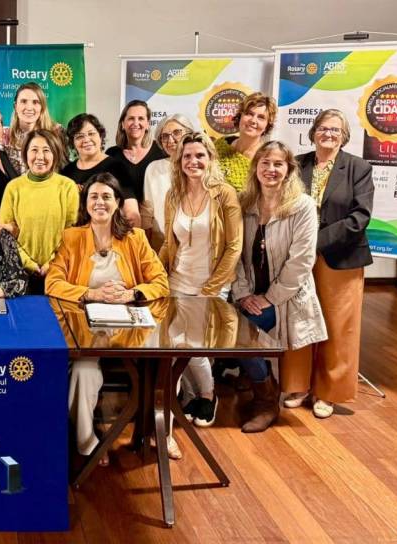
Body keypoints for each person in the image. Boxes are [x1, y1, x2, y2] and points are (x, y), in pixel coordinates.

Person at [45, 173, 169, 462]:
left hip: (131, 330)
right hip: (85, 327)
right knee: (83, 370)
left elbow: (161, 282)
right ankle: (86, 439)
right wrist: (92, 293)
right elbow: (53, 283)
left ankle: (151, 432)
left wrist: (131, 294)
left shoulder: (136, 238)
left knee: (159, 367)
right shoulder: (72, 237)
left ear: (117, 202)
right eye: (94, 197)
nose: (99, 202)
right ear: (85, 203)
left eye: (106, 196)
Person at [232, 141, 328, 433]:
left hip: (286, 298)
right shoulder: (244, 203)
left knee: (241, 336)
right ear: (256, 168)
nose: (271, 169)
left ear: (289, 169)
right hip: (250, 294)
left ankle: (266, 401)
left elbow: (302, 261)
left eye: (278, 164)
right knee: (229, 331)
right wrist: (243, 294)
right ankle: (264, 385)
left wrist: (268, 298)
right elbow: (234, 253)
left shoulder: (303, 206)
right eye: (265, 163)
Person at [286, 109, 374, 418]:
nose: (328, 134)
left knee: (338, 327)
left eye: (335, 130)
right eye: (323, 128)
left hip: (341, 257)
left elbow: (360, 217)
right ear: (313, 132)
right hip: (298, 256)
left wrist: (316, 242)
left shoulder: (358, 168)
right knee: (298, 319)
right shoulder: (297, 164)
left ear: (344, 136)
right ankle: (297, 385)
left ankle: (328, 392)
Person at [158, 132, 242, 427]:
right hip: (177, 280)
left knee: (193, 344)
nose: (193, 161)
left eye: (199, 155)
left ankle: (208, 395)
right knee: (174, 344)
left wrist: (211, 288)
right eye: (187, 156)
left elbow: (234, 246)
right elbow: (170, 243)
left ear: (210, 158)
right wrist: (154, 274)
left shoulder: (224, 194)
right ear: (179, 162)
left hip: (212, 283)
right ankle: (191, 396)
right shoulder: (173, 195)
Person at [0, 129, 79, 293]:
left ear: (55, 153)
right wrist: (28, 263)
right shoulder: (13, 188)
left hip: (60, 271)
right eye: (34, 150)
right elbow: (5, 235)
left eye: (46, 150)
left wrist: (51, 263)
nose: (40, 157)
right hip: (19, 272)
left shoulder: (67, 187)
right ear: (25, 154)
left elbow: (72, 233)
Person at [106, 100, 167, 226]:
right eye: (131, 118)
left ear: (148, 124)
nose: (136, 123)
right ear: (122, 124)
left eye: (141, 118)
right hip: (123, 224)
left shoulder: (161, 151)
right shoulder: (112, 154)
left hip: (158, 224)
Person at [143, 114, 196, 251]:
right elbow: (148, 211)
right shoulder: (153, 168)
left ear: (189, 134)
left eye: (177, 133)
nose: (170, 140)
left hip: (196, 243)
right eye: (165, 136)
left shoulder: (199, 166)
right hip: (162, 243)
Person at [215, 92, 277, 192]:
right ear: (240, 117)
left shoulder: (266, 159)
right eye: (249, 114)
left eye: (261, 117)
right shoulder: (220, 144)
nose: (253, 120)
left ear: (267, 126)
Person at [2, 82, 64, 175]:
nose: (29, 107)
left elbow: (64, 169)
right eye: (23, 101)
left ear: (42, 107)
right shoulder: (3, 136)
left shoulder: (57, 132)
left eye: (35, 102)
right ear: (15, 106)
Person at [61, 113, 122, 188]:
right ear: (72, 142)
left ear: (101, 136)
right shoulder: (67, 171)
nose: (86, 140)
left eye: (91, 134)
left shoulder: (116, 167)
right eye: (80, 136)